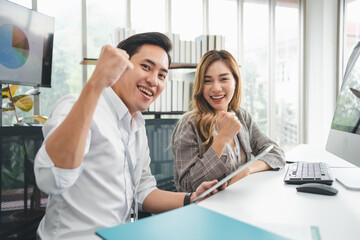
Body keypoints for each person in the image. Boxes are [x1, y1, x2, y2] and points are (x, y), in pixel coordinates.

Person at [34, 32, 225, 239]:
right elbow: (51, 179)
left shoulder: (137, 124)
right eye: (146, 67)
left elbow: (142, 190)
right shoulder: (76, 105)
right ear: (120, 66)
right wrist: (96, 83)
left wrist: (191, 198)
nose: (153, 80)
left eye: (162, 75)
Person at [171, 50, 285, 192]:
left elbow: (276, 153)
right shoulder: (189, 124)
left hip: (240, 201)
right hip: (208, 208)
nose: (216, 88)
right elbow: (186, 186)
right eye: (207, 81)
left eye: (224, 79)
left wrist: (247, 170)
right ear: (200, 86)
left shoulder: (241, 116)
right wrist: (222, 138)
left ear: (235, 82)